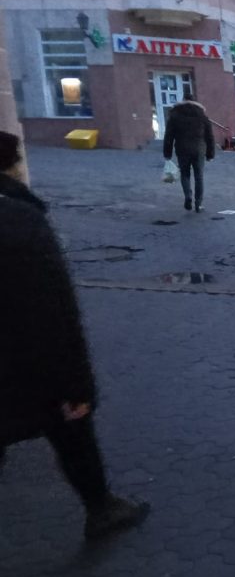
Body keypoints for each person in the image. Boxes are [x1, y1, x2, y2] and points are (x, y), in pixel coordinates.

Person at [0, 132, 150, 540]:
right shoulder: (20, 220)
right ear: (10, 166)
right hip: (34, 368)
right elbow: (54, 313)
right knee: (72, 435)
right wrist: (76, 386)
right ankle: (100, 508)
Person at [163, 92, 215, 213]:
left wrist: (167, 153)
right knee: (199, 176)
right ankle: (198, 203)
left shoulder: (175, 115)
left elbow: (169, 136)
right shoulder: (202, 116)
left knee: (185, 174)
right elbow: (210, 137)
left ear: (183, 100)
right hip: (199, 149)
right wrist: (210, 154)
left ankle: (188, 196)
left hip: (182, 149)